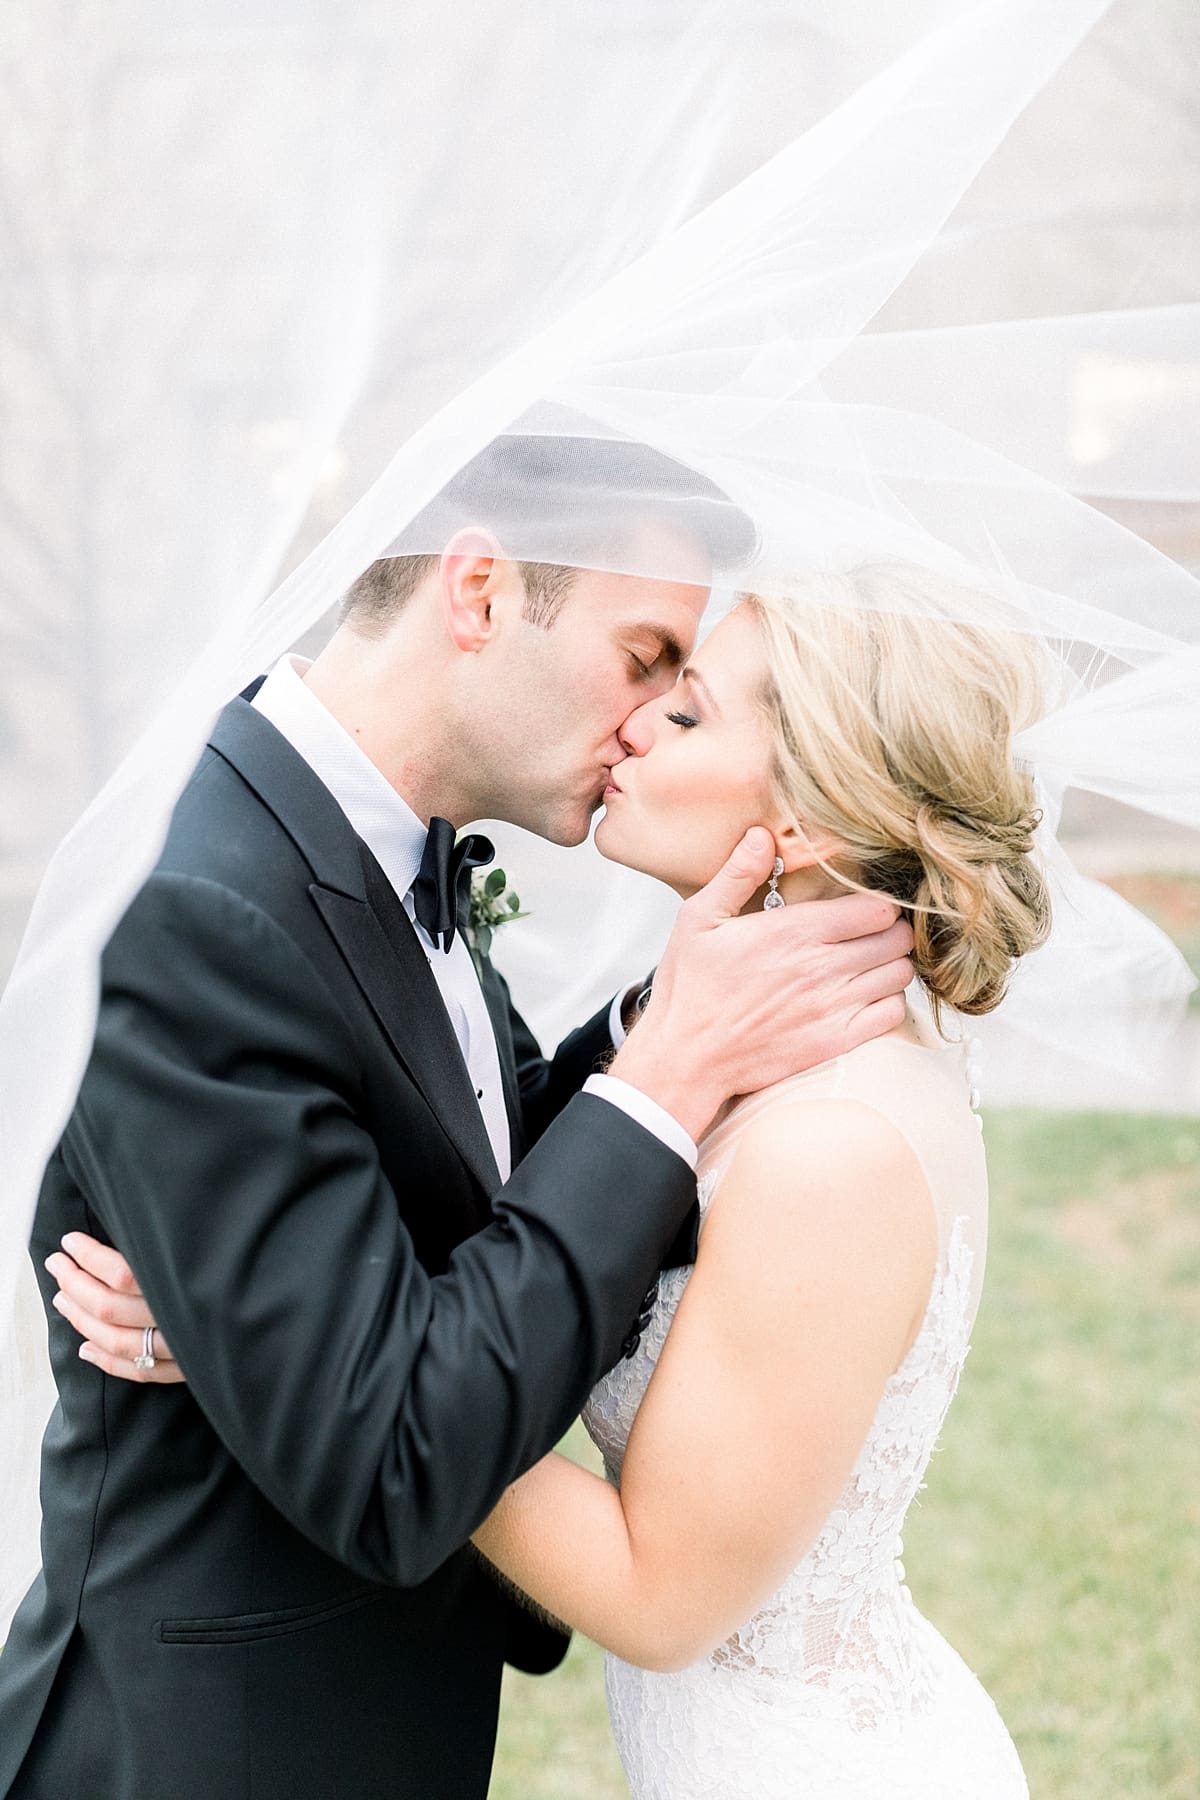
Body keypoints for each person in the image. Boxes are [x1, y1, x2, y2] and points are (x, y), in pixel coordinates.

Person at [1, 437, 914, 1800]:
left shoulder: (385, 841)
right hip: (212, 1751)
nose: (646, 725)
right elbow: (385, 1462)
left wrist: (657, 1030)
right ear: (478, 593)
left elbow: (466, 1174)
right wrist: (668, 1076)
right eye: (645, 658)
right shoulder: (198, 904)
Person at [465, 566, 1050, 1797]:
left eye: (686, 714)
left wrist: (326, 1370)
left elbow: (659, 1596)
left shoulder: (829, 1147)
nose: (633, 722)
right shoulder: (767, 1063)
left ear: (805, 830)